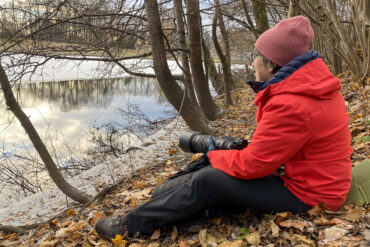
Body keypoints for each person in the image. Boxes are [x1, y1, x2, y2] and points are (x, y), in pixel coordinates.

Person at [95, 15, 352, 239]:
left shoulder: (293, 103)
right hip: (306, 178)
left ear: (272, 63)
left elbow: (254, 165)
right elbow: (273, 152)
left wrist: (215, 155)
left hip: (311, 195)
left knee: (209, 179)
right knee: (208, 175)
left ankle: (129, 226)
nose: (253, 63)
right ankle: (187, 205)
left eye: (255, 57)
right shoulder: (308, 88)